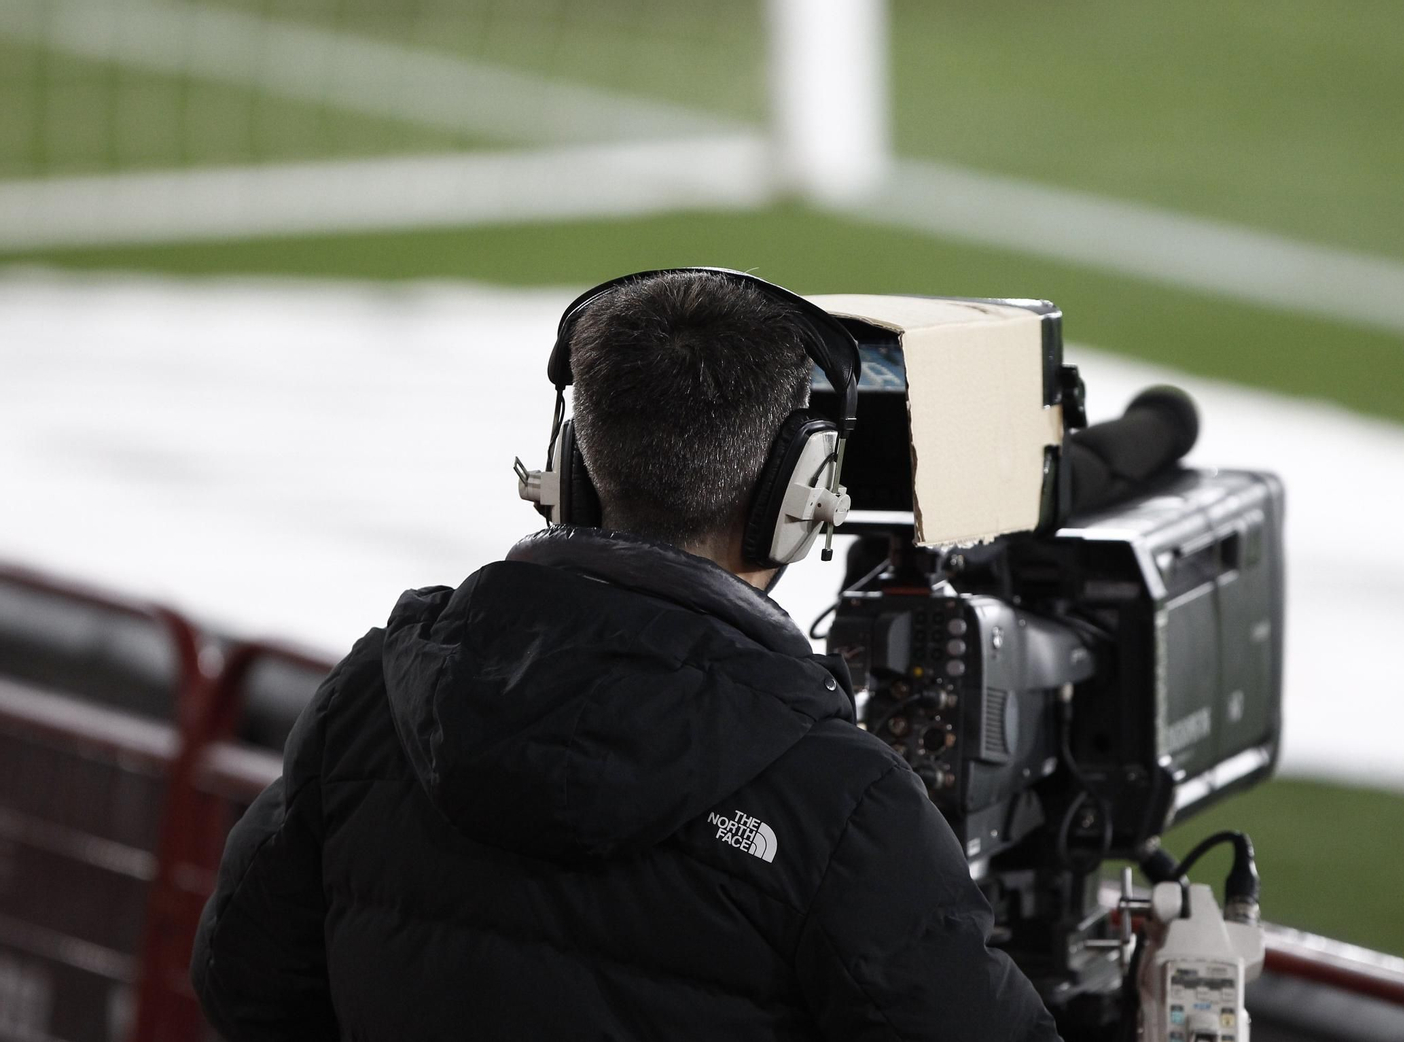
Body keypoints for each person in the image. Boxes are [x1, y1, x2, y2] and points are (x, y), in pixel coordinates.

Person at [190, 268, 1063, 1041]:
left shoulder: (369, 700)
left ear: (571, 471)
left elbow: (249, 988)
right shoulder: (842, 804)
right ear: (797, 499)